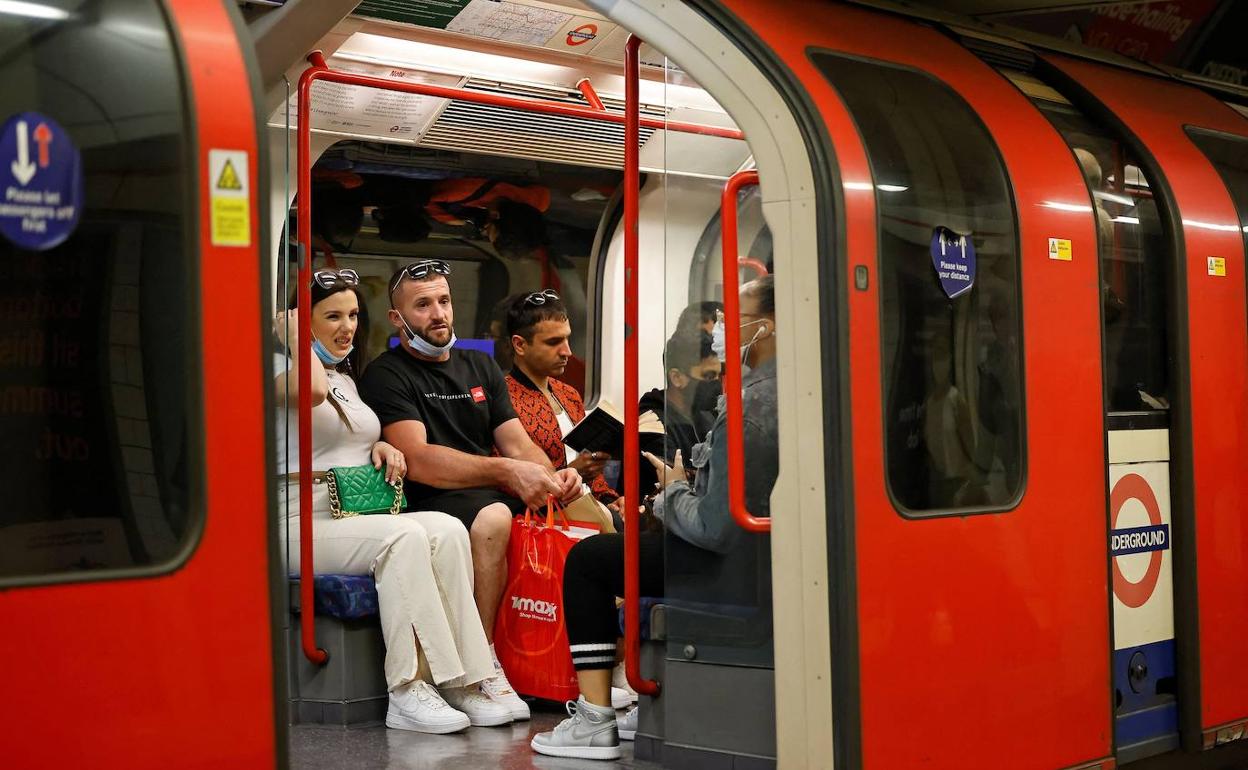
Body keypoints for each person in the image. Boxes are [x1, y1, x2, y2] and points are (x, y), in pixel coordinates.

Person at [531, 276, 780, 760]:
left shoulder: (749, 406)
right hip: (766, 558)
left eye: (737, 315)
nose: (725, 328)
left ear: (764, 328)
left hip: (735, 563)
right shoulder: (791, 391)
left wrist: (672, 494)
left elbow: (715, 526)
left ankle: (594, 717)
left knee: (589, 559)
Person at [275, 269, 511, 735]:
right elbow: (313, 394)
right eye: (332, 317)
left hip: (349, 517)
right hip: (295, 518)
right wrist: (291, 338)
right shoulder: (276, 370)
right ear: (301, 322)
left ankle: (463, 678)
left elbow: (343, 436)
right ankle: (407, 688)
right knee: (404, 535)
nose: (347, 328)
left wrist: (379, 447)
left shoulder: (345, 375)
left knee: (445, 529)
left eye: (354, 315)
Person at [357, 259, 582, 721]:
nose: (438, 314)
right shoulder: (387, 374)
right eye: (422, 306)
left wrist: (552, 475)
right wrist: (505, 472)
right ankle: (478, 665)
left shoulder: (479, 365)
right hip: (434, 496)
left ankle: (595, 666)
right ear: (398, 320)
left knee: (589, 513)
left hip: (488, 486)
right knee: (497, 515)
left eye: (443, 301)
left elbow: (517, 442)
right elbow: (417, 459)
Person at [502, 289, 619, 509]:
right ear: (520, 345)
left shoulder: (569, 395)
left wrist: (610, 499)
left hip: (589, 506)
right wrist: (573, 471)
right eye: (553, 342)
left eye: (567, 339)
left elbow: (590, 469)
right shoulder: (503, 399)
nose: (567, 351)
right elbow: (508, 482)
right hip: (545, 516)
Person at [636, 329, 722, 495]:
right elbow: (678, 477)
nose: (717, 384)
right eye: (709, 376)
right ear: (676, 378)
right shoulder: (652, 423)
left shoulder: (708, 415)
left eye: (719, 375)